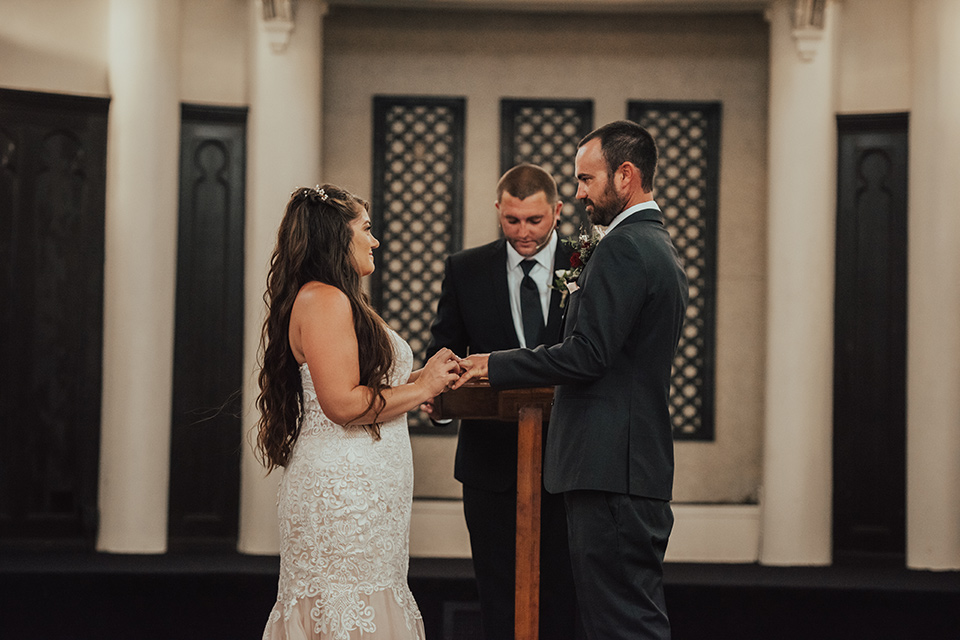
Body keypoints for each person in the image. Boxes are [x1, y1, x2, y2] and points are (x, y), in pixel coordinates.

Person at [454, 122, 689, 640]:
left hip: (608, 470)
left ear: (625, 176)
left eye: (587, 179)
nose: (579, 192)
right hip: (626, 465)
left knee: (621, 625)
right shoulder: (655, 244)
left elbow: (587, 355)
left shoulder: (625, 247)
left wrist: (494, 364)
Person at [256, 184, 461, 640]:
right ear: (335, 237)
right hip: (342, 498)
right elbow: (344, 404)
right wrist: (422, 386)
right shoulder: (324, 300)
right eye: (366, 229)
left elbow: (360, 386)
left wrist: (419, 382)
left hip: (364, 496)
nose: (376, 240)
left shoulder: (337, 299)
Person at [423, 163, 580, 640]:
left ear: (557, 210)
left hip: (568, 462)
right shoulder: (466, 269)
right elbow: (445, 348)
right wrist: (439, 397)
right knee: (497, 597)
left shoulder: (587, 263)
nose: (524, 233)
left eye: (535, 221)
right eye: (512, 221)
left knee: (565, 597)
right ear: (498, 211)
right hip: (489, 465)